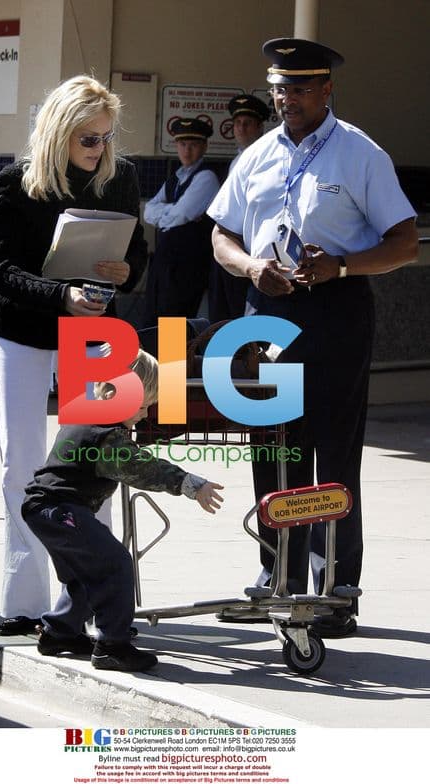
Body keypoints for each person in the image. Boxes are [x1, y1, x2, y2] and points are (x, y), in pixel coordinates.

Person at [207, 38, 418, 637]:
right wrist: (250, 267)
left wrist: (344, 266)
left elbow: (403, 243)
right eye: (279, 88)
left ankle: (333, 590)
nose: (286, 99)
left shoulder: (359, 154)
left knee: (331, 452)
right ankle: (278, 576)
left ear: (327, 90)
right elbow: (220, 236)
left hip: (335, 311)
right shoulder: (254, 156)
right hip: (266, 315)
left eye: (300, 88)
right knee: (274, 449)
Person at [0, 75, 147, 636]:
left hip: (95, 335)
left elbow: (139, 254)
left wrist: (127, 274)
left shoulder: (119, 179)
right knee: (23, 466)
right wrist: (62, 295)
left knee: (95, 466)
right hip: (23, 333)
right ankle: (24, 603)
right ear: (58, 133)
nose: (100, 150)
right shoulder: (15, 183)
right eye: (88, 139)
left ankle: (91, 606)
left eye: (105, 137)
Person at [21, 349, 224, 672]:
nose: (145, 414)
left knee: (84, 573)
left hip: (46, 508)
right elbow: (142, 469)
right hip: (59, 509)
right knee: (114, 564)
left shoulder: (90, 415)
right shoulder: (105, 435)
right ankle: (112, 645)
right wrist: (189, 483)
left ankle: (59, 632)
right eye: (144, 406)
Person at [141, 118, 220, 328]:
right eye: (182, 144)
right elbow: (148, 211)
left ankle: (173, 362)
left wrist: (169, 211)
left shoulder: (206, 178)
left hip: (187, 266)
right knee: (155, 318)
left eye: (193, 145)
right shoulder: (175, 177)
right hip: (165, 263)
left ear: (204, 146)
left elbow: (181, 215)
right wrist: (172, 210)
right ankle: (157, 361)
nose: (187, 150)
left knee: (175, 322)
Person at [209, 94, 271, 323]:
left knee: (239, 317)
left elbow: (182, 213)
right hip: (224, 250)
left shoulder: (264, 158)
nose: (241, 129)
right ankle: (178, 360)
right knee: (221, 316)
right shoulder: (237, 160)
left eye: (248, 123)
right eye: (237, 123)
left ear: (260, 127)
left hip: (245, 251)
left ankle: (240, 359)